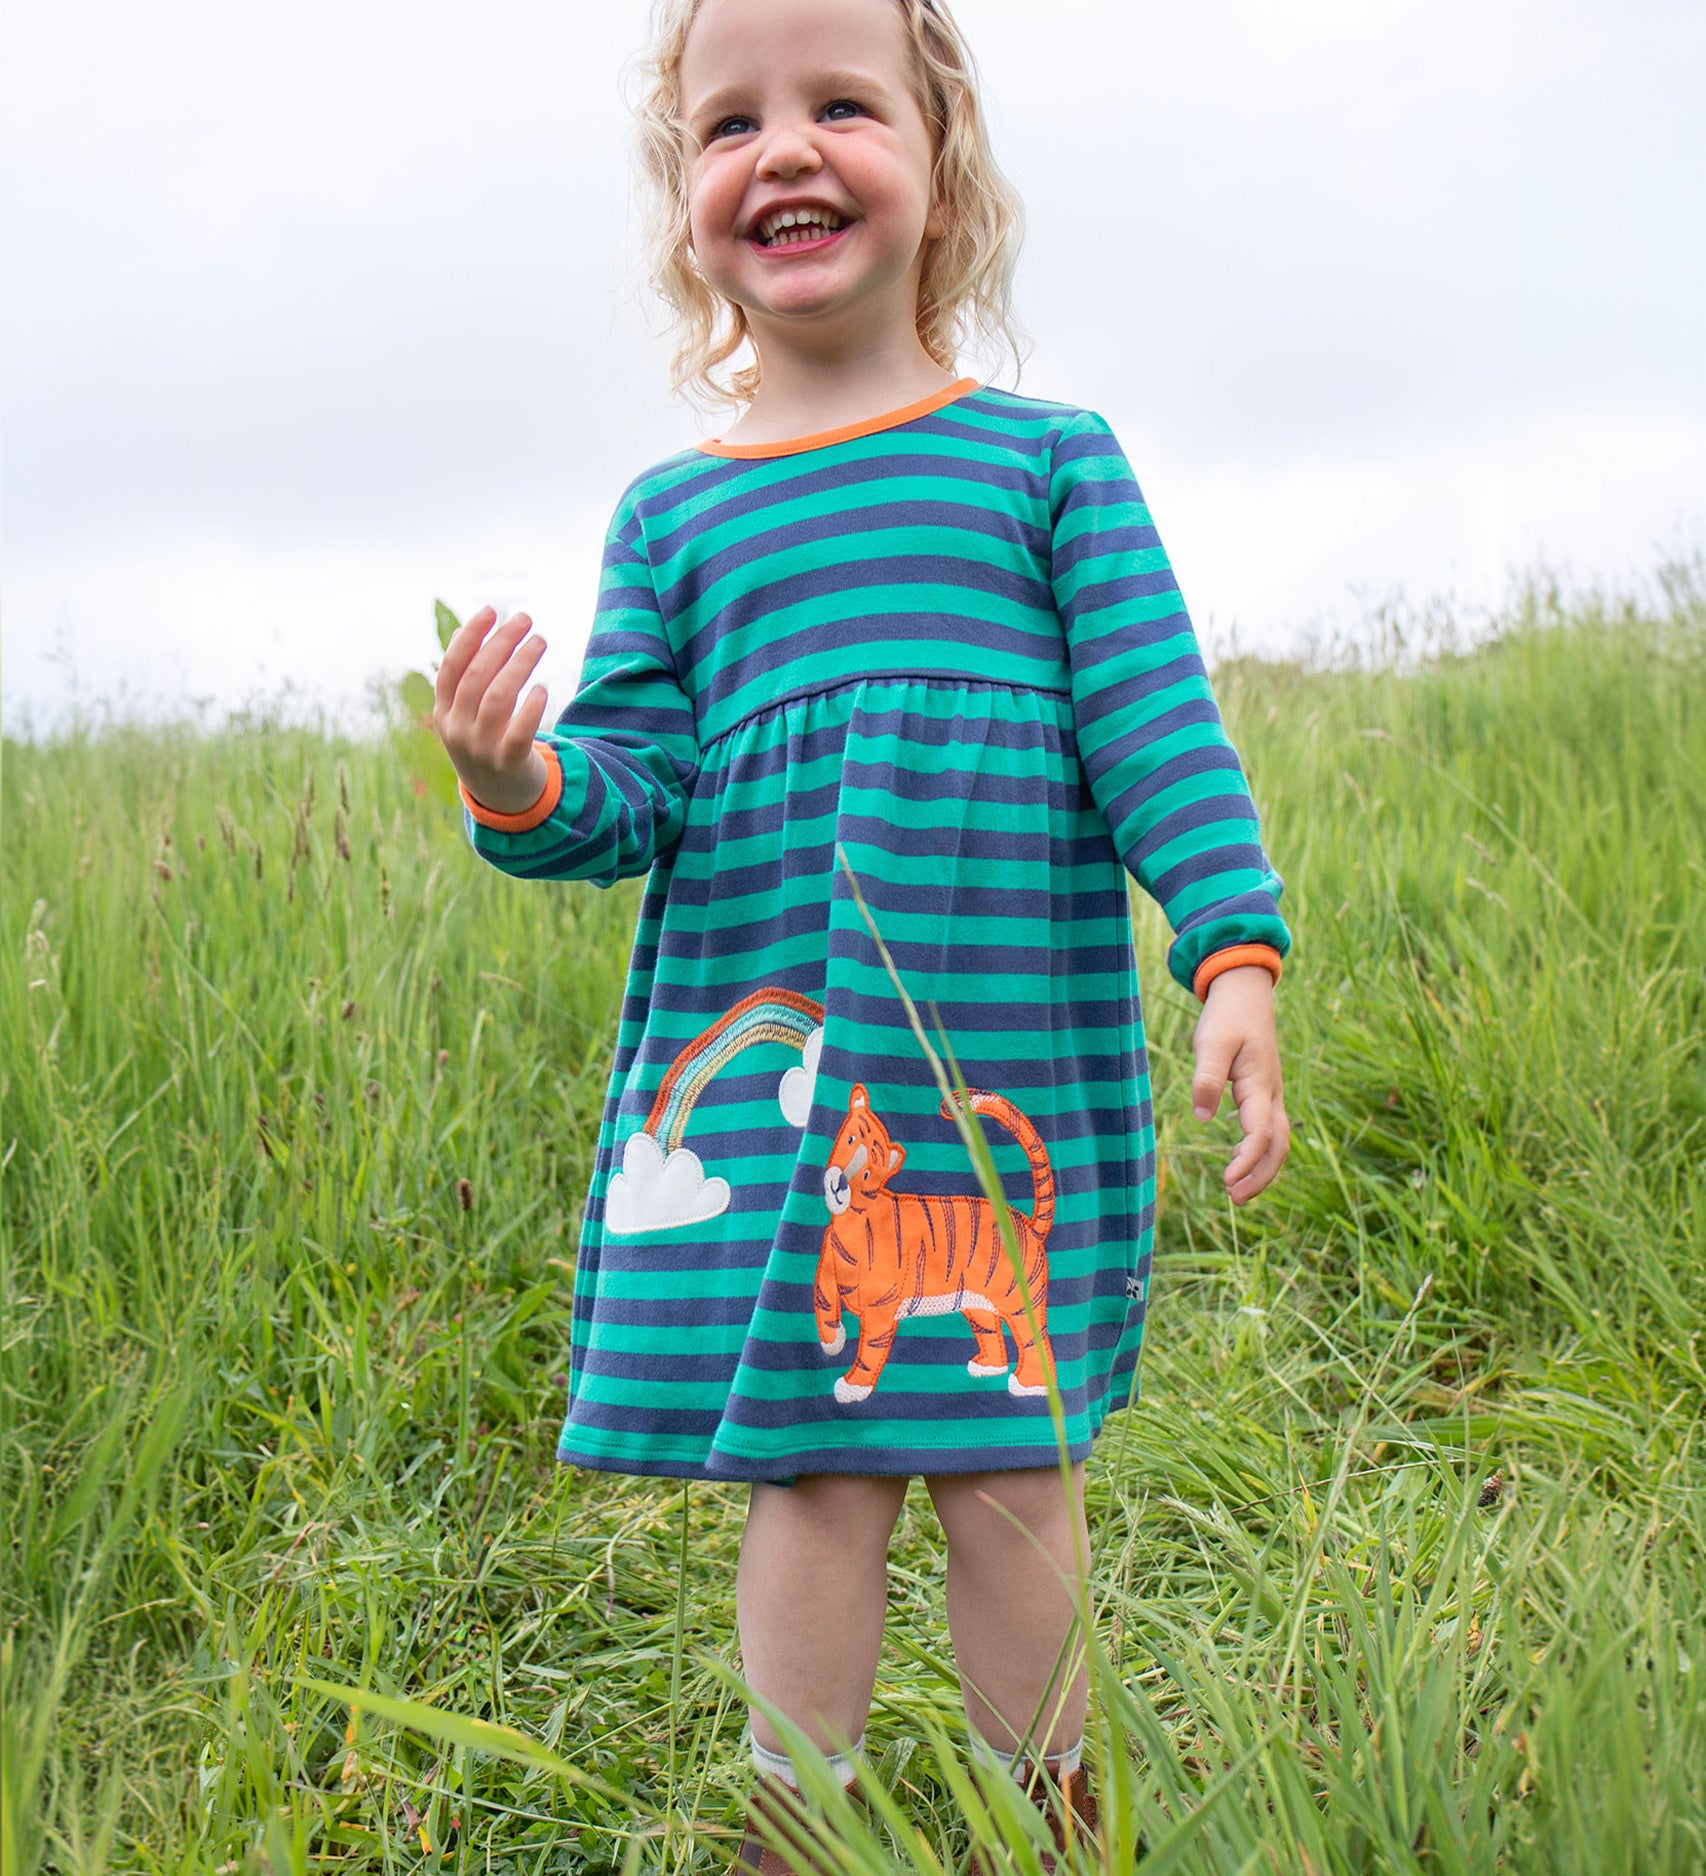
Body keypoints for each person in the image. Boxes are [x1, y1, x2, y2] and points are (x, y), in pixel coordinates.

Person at [431, 0, 1291, 1866]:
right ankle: (797, 1830)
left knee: (1001, 1466)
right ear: (686, 201)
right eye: (727, 124)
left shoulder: (1043, 466)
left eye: (839, 104)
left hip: (998, 1061)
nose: (785, 150)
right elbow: (630, 784)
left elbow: (1156, 725)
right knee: (807, 1468)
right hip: (782, 1083)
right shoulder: (676, 515)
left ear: (939, 163)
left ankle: (1048, 1820)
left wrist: (1230, 951)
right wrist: (521, 783)